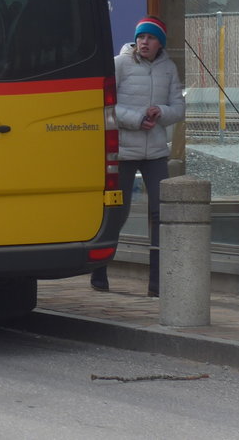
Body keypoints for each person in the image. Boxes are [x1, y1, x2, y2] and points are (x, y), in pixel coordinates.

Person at [91, 15, 186, 296]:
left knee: (161, 212)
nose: (145, 42)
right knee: (118, 213)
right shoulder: (119, 64)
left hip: (155, 152)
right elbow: (104, 105)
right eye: (141, 37)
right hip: (122, 151)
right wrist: (136, 119)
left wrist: (160, 111)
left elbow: (178, 109)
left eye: (151, 38)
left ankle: (157, 282)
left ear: (160, 43)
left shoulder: (169, 68)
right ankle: (99, 271)